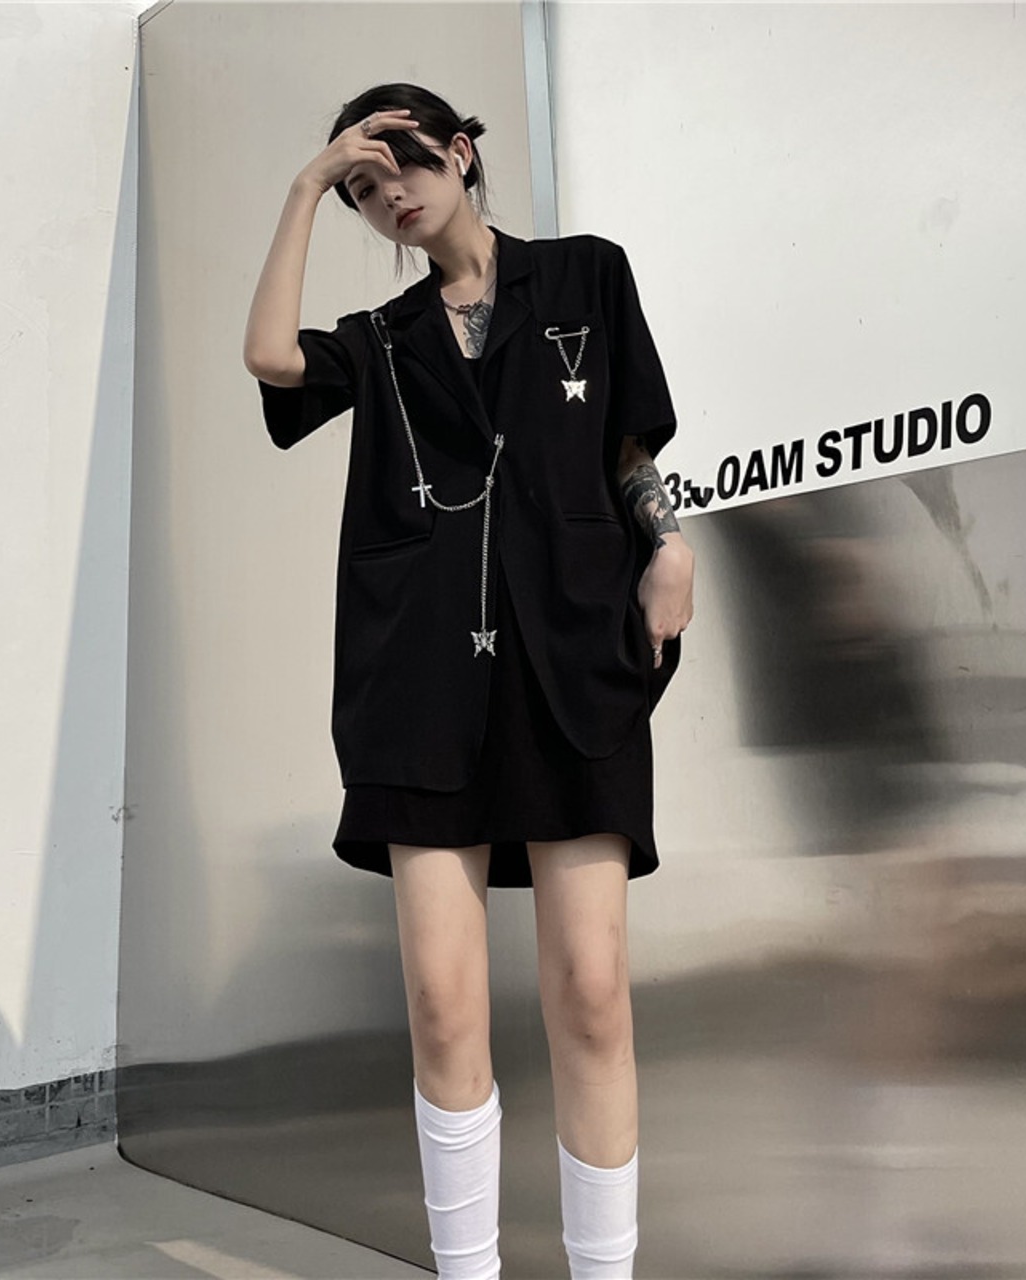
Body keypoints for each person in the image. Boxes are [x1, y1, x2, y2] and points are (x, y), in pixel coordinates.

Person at [242, 82, 693, 1280]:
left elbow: (627, 443)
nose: (386, 193)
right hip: (420, 684)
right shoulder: (382, 340)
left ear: (458, 151)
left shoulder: (586, 275)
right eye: (360, 186)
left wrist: (669, 543)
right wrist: (304, 185)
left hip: (571, 662)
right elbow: (271, 358)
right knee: (442, 1002)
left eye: (399, 161)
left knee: (590, 989)